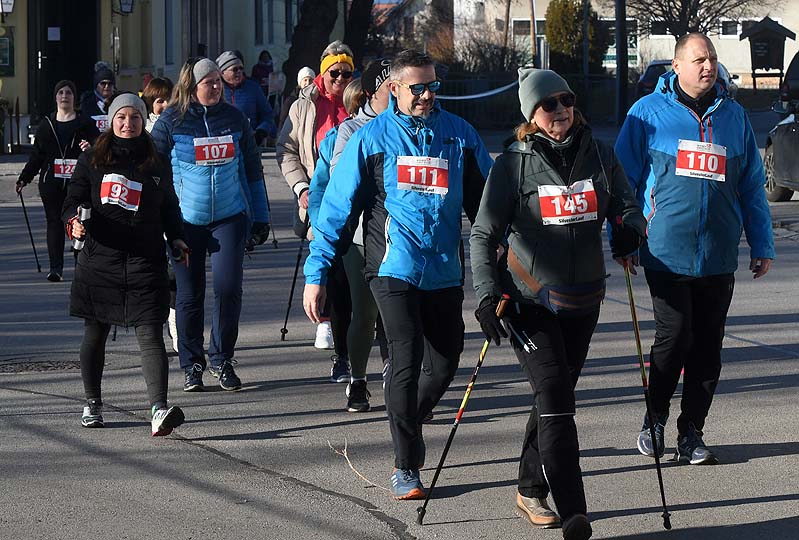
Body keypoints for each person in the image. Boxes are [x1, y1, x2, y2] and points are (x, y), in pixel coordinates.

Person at [302, 49, 493, 500]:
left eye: (432, 86)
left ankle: (407, 414)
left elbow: (487, 206)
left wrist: (507, 251)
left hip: (444, 269)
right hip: (392, 267)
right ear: (394, 89)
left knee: (446, 361)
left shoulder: (459, 135)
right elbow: (336, 211)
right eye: (418, 88)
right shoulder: (372, 140)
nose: (427, 95)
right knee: (404, 357)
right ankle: (406, 465)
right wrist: (318, 273)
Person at [470, 68, 646, 540]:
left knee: (554, 398)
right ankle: (574, 512)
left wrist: (630, 229)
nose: (560, 110)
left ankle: (529, 485)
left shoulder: (601, 155)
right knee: (555, 399)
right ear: (531, 115)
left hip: (583, 299)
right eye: (548, 104)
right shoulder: (512, 165)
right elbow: (484, 233)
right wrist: (488, 293)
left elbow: (628, 207)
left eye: (566, 99)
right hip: (530, 301)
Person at [615, 33, 775, 465]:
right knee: (675, 336)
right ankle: (655, 418)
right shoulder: (646, 114)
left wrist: (762, 242)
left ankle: (692, 431)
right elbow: (621, 182)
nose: (708, 66)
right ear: (677, 65)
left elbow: (751, 187)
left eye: (713, 58)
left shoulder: (734, 116)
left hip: (718, 252)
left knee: (708, 346)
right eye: (699, 59)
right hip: (665, 250)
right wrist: (624, 235)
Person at [61, 92, 187, 436]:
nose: (128, 124)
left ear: (142, 120)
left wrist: (177, 238)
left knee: (151, 336)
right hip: (99, 261)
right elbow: (72, 200)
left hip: (145, 260)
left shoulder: (156, 160)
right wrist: (73, 220)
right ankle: (92, 403)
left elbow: (169, 208)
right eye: (121, 118)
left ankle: (159, 409)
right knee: (95, 334)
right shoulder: (92, 160)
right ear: (111, 121)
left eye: (134, 118)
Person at [150, 57, 271, 392]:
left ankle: (222, 359)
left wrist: (260, 217)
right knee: (189, 294)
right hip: (185, 223)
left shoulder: (234, 119)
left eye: (219, 81)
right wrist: (155, 220)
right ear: (192, 86)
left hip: (229, 217)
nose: (216, 87)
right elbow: (153, 172)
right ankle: (192, 364)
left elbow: (252, 169)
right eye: (209, 82)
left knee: (229, 289)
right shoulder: (171, 121)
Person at [277, 41, 355, 381]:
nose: (340, 78)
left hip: (357, 199)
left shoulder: (359, 100)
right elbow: (287, 149)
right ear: (323, 72)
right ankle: (329, 326)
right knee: (329, 267)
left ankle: (353, 338)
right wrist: (302, 187)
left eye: (347, 73)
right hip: (319, 196)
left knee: (353, 274)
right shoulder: (303, 105)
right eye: (334, 72)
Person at [326, 58, 393, 413]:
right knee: (365, 313)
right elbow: (340, 176)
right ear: (372, 91)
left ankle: (401, 381)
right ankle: (358, 381)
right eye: (390, 87)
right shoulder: (352, 130)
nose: (398, 93)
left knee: (403, 315)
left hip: (403, 237)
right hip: (362, 237)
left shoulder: (414, 125)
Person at [16, 80, 100, 282]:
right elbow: (37, 156)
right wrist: (24, 179)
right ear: (55, 98)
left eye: (69, 93)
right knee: (54, 223)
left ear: (74, 98)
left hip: (78, 183)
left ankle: (81, 265)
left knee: (80, 223)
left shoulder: (86, 123)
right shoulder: (47, 124)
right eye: (61, 92)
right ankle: (56, 269)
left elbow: (100, 149)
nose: (64, 96)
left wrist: (90, 148)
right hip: (51, 183)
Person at [216, 50, 277, 146]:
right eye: (235, 69)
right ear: (223, 72)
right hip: (223, 146)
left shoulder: (253, 88)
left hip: (249, 143)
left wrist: (261, 132)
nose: (239, 72)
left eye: (241, 68)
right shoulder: (215, 90)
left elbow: (267, 114)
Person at [79, 63, 116, 131]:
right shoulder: (86, 103)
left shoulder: (118, 101)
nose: (106, 87)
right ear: (96, 85)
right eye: (103, 83)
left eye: (110, 84)